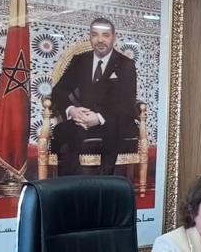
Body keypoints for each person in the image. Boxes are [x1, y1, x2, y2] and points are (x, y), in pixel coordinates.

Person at [51, 18, 138, 175]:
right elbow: (58, 91)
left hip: (113, 120)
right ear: (89, 37)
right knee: (62, 131)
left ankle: (104, 184)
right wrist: (72, 110)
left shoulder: (126, 64)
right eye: (95, 35)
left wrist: (98, 118)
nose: (100, 40)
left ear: (114, 37)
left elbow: (127, 103)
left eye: (105, 35)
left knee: (112, 132)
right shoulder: (80, 61)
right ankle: (69, 184)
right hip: (81, 120)